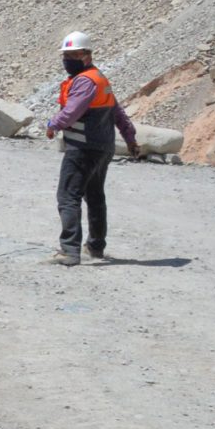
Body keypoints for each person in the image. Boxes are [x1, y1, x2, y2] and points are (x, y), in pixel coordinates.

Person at [42, 31, 142, 266]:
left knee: (68, 196)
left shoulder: (85, 82)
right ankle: (95, 247)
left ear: (86, 55)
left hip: (83, 148)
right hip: (102, 147)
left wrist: (53, 125)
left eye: (73, 55)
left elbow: (72, 111)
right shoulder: (99, 79)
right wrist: (130, 138)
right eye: (66, 55)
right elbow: (118, 113)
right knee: (95, 195)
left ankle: (69, 251)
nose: (68, 59)